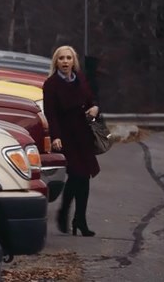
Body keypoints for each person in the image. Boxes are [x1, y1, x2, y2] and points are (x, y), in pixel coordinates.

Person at [43, 45, 100, 237]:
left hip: (84, 133)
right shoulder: (51, 84)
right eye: (61, 58)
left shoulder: (81, 79)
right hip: (66, 135)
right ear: (56, 62)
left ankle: (79, 219)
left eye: (68, 58)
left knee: (84, 177)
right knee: (77, 174)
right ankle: (66, 213)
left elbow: (91, 100)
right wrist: (55, 137)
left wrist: (94, 109)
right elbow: (51, 114)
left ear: (73, 61)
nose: (65, 61)